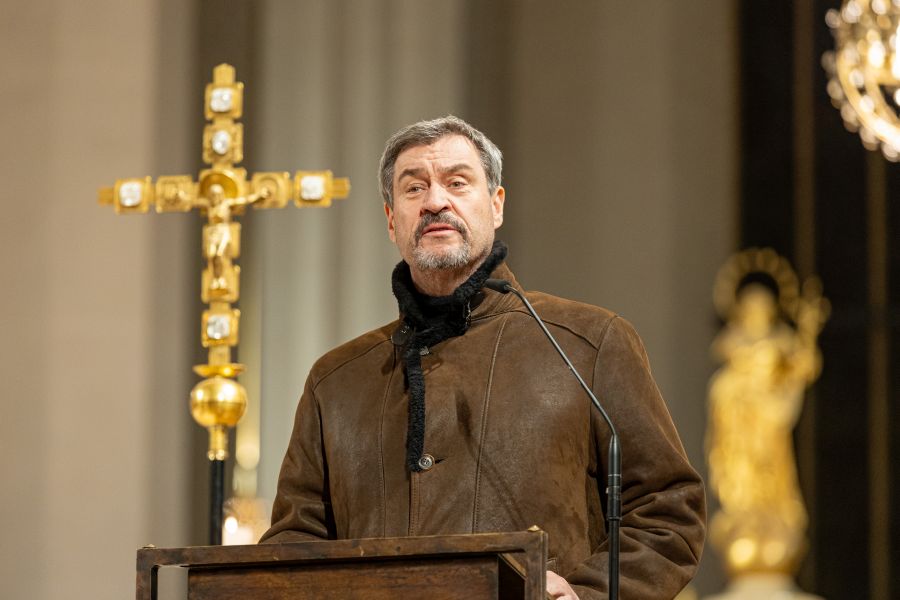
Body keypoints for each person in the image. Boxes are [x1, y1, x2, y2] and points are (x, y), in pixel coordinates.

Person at [260, 115, 706, 599]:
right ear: (391, 220)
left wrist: (588, 595)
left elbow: (668, 512)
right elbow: (293, 546)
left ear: (495, 205)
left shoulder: (589, 342)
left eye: (457, 182)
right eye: (414, 188)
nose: (435, 201)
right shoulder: (336, 381)